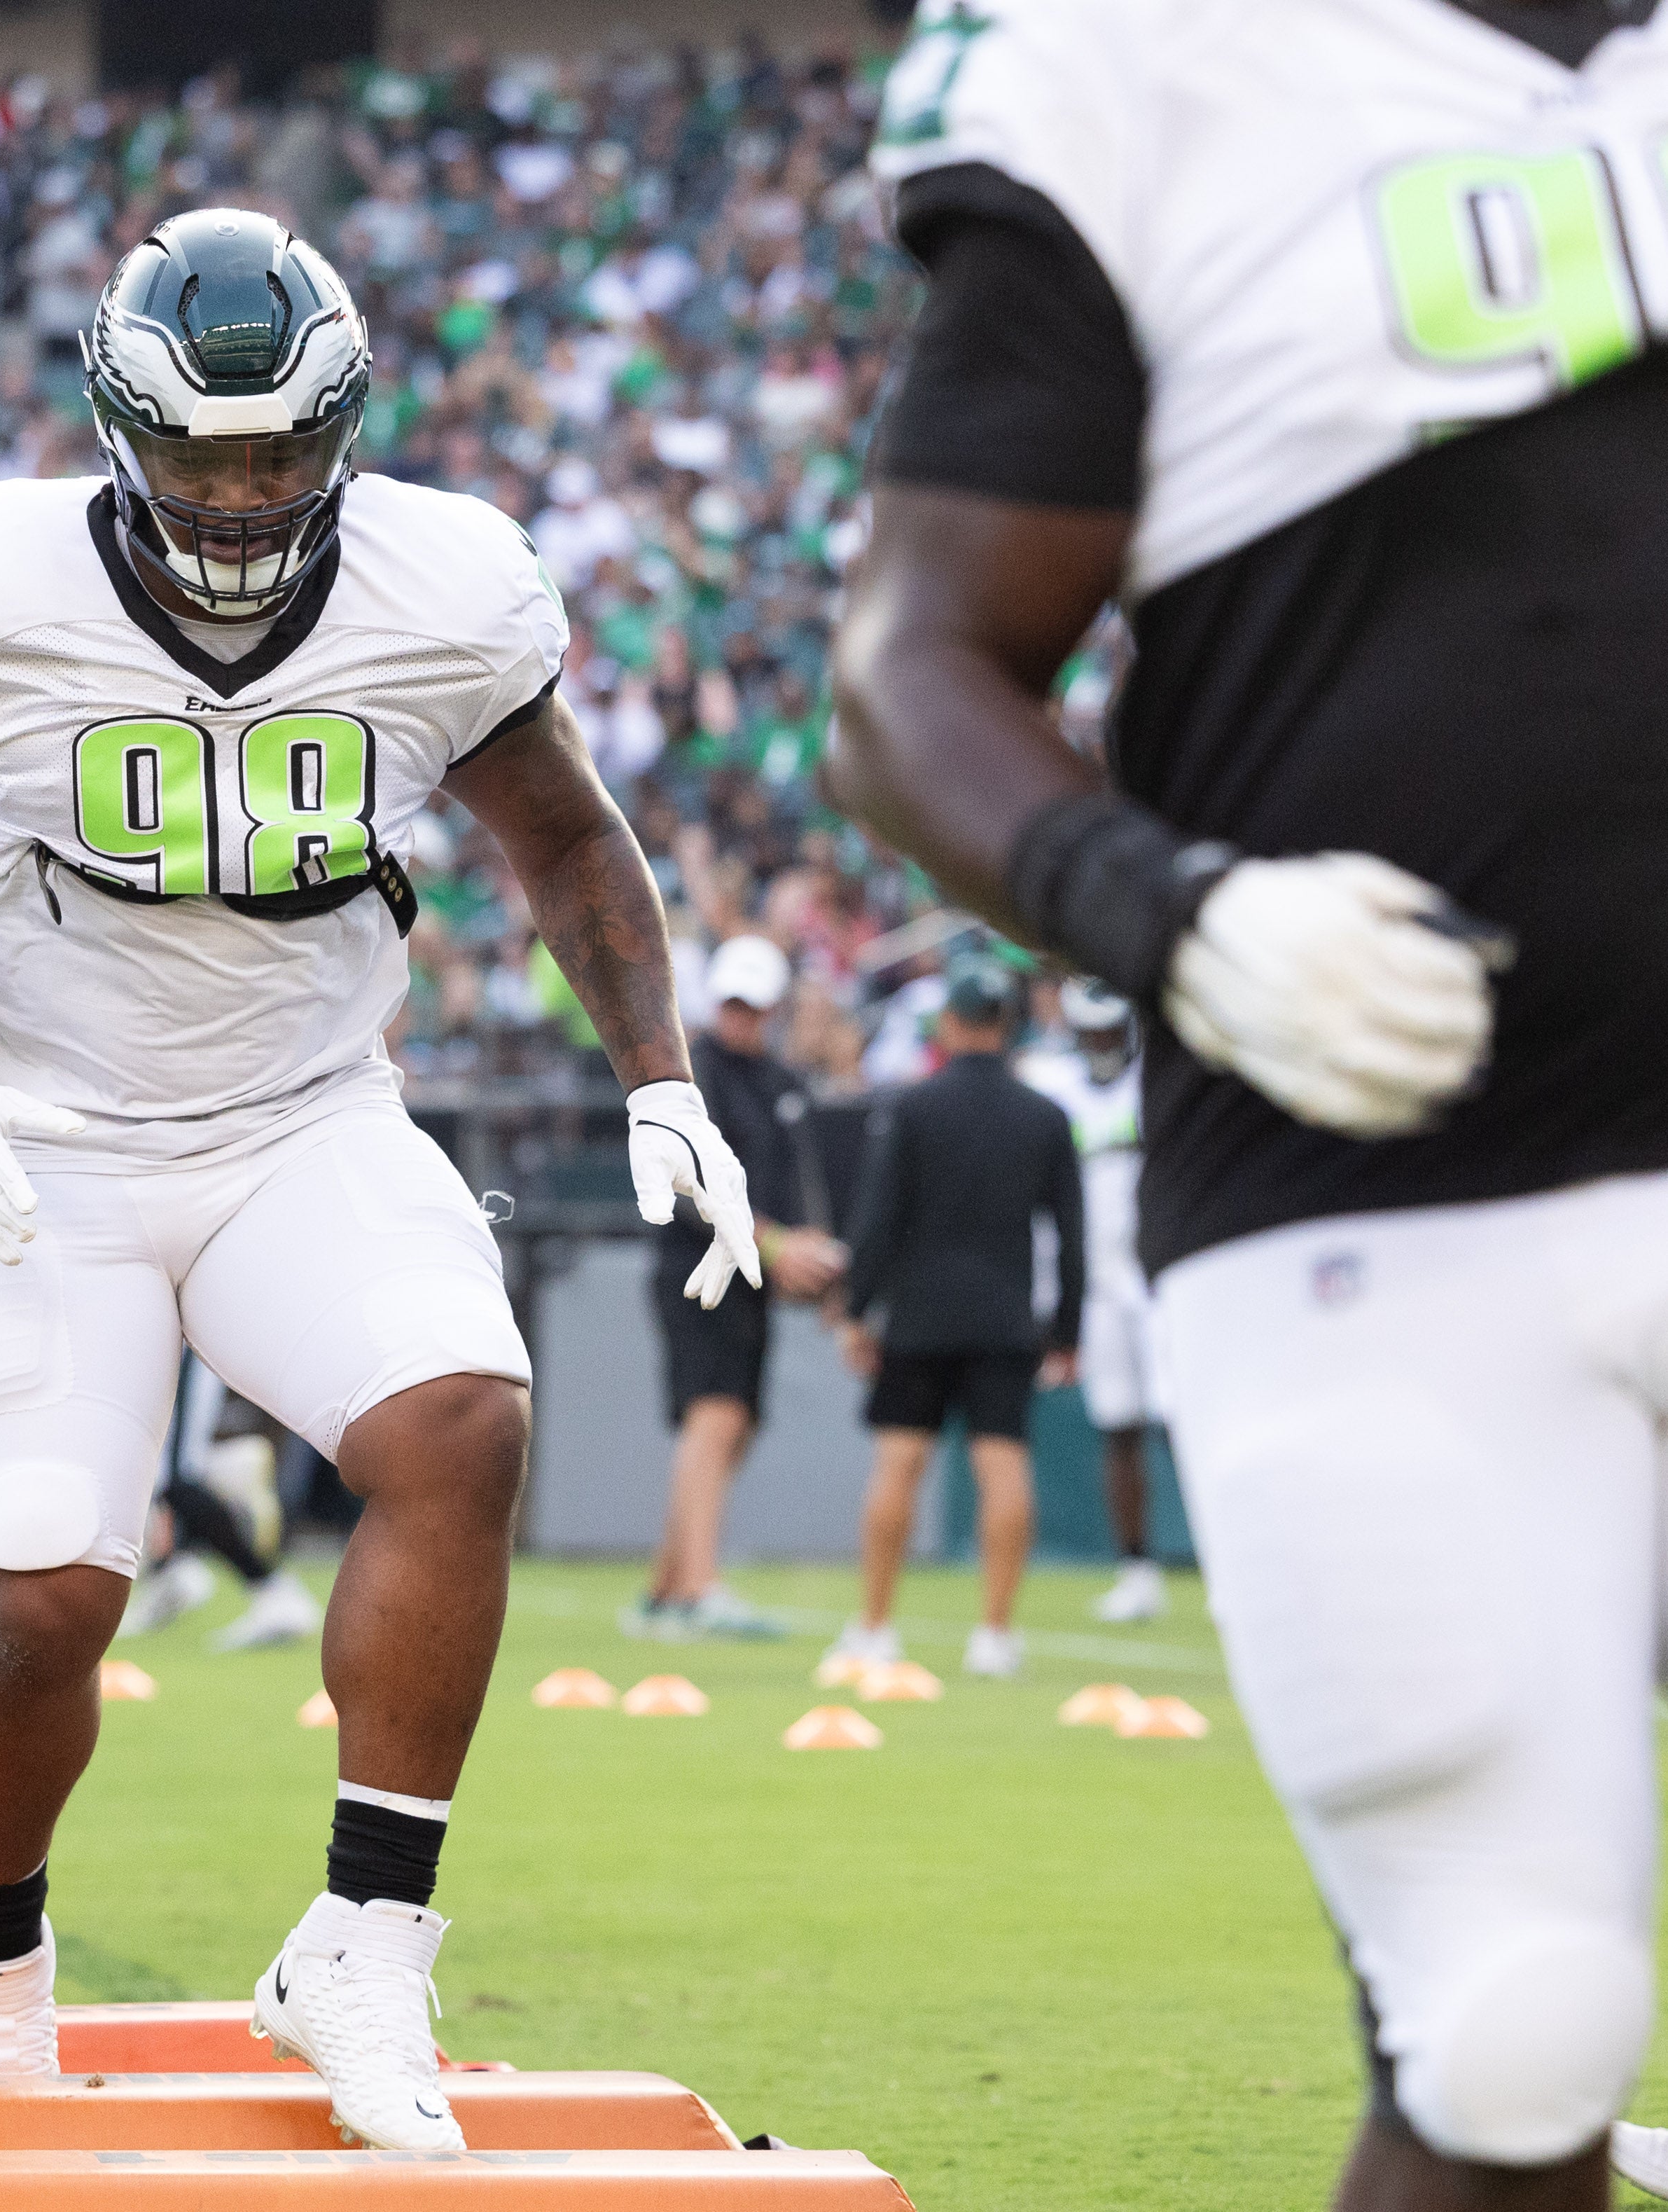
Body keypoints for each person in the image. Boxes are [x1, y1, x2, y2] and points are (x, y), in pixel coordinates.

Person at [0, 209, 758, 2143]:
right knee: (37, 1598)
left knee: (461, 1420)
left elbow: (568, 845)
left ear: (341, 427)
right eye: (198, 455)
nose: (238, 496)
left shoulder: (445, 580)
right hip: (46, 1146)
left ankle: (365, 1942)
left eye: (276, 452)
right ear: (117, 431)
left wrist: (663, 1081)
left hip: (305, 1115)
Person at [830, 6, 1668, 2192]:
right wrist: (1166, 909)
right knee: (1503, 2031)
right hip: (1381, 1202)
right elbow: (912, 664)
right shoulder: (1150, 66)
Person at [826, 960, 1080, 1680]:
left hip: (920, 1316)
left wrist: (856, 1309)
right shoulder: (1045, 1115)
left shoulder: (913, 1107)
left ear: (951, 1023)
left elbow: (877, 1219)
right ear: (1008, 1025)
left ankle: (875, 1627)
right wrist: (1067, 1332)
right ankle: (994, 1636)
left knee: (899, 1462)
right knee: (1004, 1465)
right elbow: (1071, 1233)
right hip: (1004, 1317)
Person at [623, 934, 846, 1643]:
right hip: (696, 1268)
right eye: (733, 1004)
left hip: (748, 1271)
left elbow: (802, 1181)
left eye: (754, 1006)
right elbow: (685, 1181)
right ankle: (695, 1588)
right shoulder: (691, 1078)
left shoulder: (782, 1084)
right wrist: (774, 1242)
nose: (742, 1017)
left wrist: (807, 1251)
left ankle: (667, 1587)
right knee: (715, 1416)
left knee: (732, 1423)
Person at [1019, 976, 1166, 1624]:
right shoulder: (1053, 1091)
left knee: (1183, 1421)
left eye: (1112, 1031)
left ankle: (1223, 1563)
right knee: (1119, 1425)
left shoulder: (1154, 1086)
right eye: (1092, 1033)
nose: (1103, 1044)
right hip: (1099, 1284)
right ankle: (1136, 1568)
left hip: (1160, 1273)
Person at [118, 1350, 324, 1652]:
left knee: (177, 1477)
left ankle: (274, 1591)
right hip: (149, 1351)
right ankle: (171, 1572)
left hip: (180, 1346)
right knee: (154, 1474)